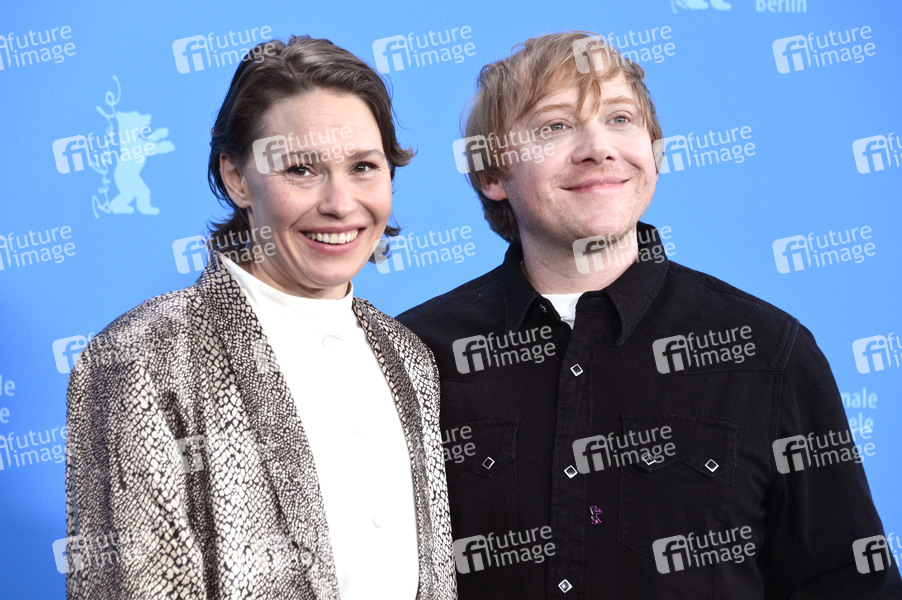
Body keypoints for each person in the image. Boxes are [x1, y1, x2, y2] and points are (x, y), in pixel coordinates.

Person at [397, 31, 902, 599]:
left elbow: (851, 585)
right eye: (555, 127)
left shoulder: (768, 352)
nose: (598, 148)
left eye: (620, 119)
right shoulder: (411, 356)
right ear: (492, 175)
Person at [65, 36, 456, 599]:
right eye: (301, 169)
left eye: (363, 167)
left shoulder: (407, 354)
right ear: (237, 178)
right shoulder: (143, 356)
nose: (340, 203)